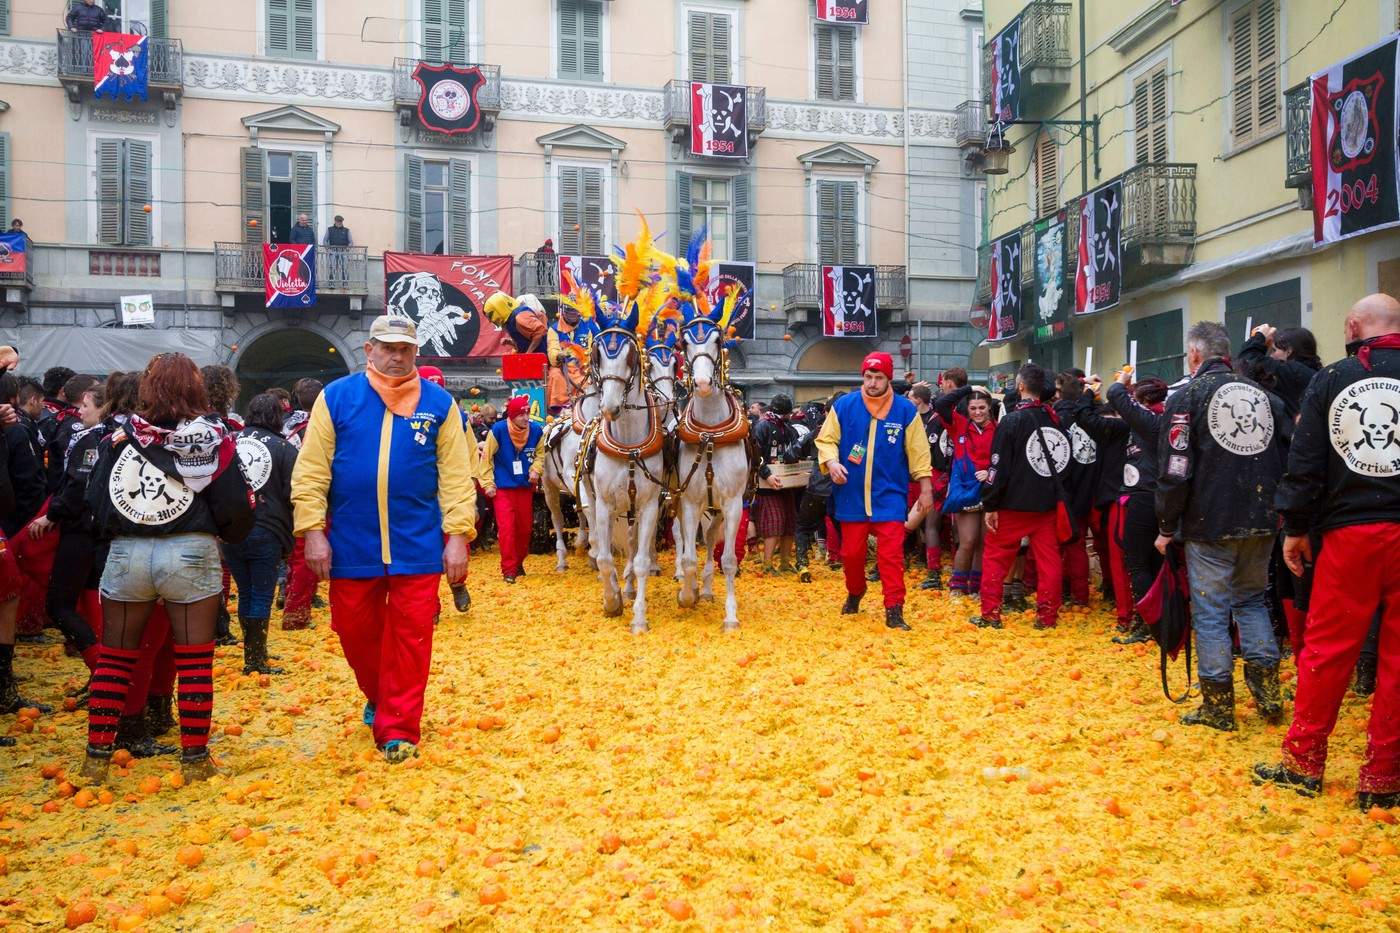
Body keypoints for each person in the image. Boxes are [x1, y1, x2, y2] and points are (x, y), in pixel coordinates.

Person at [291, 315, 476, 763]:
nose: (396, 356)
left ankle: (398, 728)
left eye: (405, 349)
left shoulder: (439, 404)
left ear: (416, 353)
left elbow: (456, 478)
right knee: (354, 632)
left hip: (417, 544)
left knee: (412, 638)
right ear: (369, 350)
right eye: (388, 348)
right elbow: (312, 469)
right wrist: (313, 530)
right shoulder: (337, 398)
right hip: (353, 543)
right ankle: (379, 694)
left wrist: (457, 536)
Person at [80, 353, 256, 782]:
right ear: (196, 388)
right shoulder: (213, 439)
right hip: (190, 552)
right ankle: (195, 761)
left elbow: (95, 504)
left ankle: (95, 759)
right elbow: (235, 506)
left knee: (115, 660)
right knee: (195, 660)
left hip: (127, 553)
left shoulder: (118, 438)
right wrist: (227, 532)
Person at [1254, 295, 1400, 808]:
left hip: (1350, 532)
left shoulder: (1334, 378)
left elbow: (1307, 457)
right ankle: (1383, 779)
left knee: (1329, 648)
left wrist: (1295, 526)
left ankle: (1304, 762)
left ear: (1354, 326)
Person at [1156, 321, 1288, 732]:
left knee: (1212, 613)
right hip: (1261, 517)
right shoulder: (1267, 398)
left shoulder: (1188, 397)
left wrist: (1165, 524)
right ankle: (1268, 694)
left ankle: (1217, 707)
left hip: (1208, 520)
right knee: (1251, 602)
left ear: (1195, 354)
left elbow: (1176, 469)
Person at [815, 352, 933, 631]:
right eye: (868, 377)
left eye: (878, 377)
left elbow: (919, 451)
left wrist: (926, 487)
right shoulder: (844, 405)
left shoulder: (905, 410)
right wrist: (831, 462)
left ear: (888, 379)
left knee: (891, 556)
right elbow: (826, 439)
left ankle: (894, 608)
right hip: (851, 496)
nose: (872, 383)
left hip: (889, 496)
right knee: (852, 555)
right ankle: (855, 590)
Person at [973, 365, 1067, 630]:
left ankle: (991, 614)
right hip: (1046, 504)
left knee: (996, 557)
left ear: (1021, 386)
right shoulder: (1054, 419)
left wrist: (991, 502)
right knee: (1049, 561)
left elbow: (997, 466)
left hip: (1013, 504)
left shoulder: (1012, 421)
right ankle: (1047, 617)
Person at [226, 394, 299, 676]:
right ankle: (255, 658)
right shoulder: (284, 448)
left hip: (233, 529)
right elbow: (294, 493)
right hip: (267, 528)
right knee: (261, 594)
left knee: (245, 591)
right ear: (276, 417)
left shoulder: (229, 443)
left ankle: (254, 652)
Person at [935, 383, 997, 598]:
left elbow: (1005, 461)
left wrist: (990, 471)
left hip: (989, 490)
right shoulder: (959, 425)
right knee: (968, 540)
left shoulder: (998, 429)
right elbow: (941, 404)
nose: (978, 412)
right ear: (967, 410)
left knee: (983, 543)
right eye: (973, 408)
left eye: (982, 407)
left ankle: (976, 588)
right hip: (964, 491)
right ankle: (957, 586)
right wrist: (968, 388)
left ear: (989, 407)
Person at [478, 395, 543, 583]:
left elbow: (540, 455)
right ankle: (508, 570)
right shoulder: (498, 430)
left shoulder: (537, 431)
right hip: (503, 489)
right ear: (512, 415)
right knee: (506, 530)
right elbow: (486, 458)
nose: (525, 417)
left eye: (527, 413)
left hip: (524, 488)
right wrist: (488, 484)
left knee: (524, 531)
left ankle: (518, 561)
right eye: (521, 414)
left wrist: (536, 469)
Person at [753, 395, 800, 573]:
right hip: (767, 484)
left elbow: (794, 450)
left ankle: (786, 563)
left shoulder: (788, 429)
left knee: (789, 522)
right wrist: (767, 475)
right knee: (774, 522)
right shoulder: (762, 426)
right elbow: (755, 455)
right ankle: (767, 564)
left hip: (786, 482)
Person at [1238, 324, 1322, 418]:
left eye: (1274, 350)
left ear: (1289, 351)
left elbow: (1247, 361)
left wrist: (1259, 337)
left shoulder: (1292, 372)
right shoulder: (1316, 374)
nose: (1271, 356)